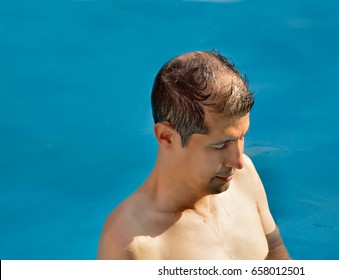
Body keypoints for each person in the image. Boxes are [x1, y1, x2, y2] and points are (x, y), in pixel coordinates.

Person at [97, 50, 290, 260]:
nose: (238, 161)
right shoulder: (129, 242)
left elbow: (278, 258)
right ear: (167, 137)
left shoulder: (244, 179)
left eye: (242, 137)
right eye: (221, 145)